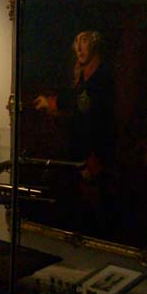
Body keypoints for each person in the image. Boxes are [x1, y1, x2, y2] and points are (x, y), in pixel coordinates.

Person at [33, 30, 116, 233]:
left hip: (94, 159)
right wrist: (50, 103)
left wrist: (94, 162)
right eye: (76, 41)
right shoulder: (83, 75)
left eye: (84, 41)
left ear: (94, 43)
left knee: (96, 217)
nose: (78, 47)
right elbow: (73, 100)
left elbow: (104, 124)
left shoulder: (102, 77)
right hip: (79, 155)